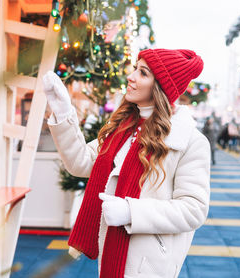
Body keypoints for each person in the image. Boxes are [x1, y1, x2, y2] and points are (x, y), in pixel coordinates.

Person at [43, 48, 210, 278]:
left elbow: (194, 209)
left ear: (161, 86)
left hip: (149, 264)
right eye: (135, 69)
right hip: (112, 251)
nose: (131, 77)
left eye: (143, 73)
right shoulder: (122, 128)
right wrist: (63, 113)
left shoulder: (189, 141)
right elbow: (80, 162)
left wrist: (132, 212)